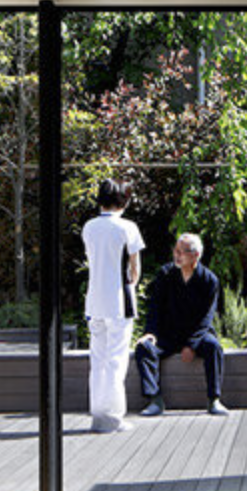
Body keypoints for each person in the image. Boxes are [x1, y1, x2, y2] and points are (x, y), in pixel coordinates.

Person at [135, 233, 229, 416]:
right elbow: (155, 307)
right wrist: (150, 333)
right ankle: (155, 400)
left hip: (198, 334)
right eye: (175, 250)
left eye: (182, 252)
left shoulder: (209, 280)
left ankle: (214, 400)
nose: (176, 255)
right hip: (168, 334)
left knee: (214, 347)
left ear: (196, 255)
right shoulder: (165, 274)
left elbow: (206, 318)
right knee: (144, 348)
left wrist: (191, 345)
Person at [81, 179, 145, 433]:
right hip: (119, 300)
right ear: (124, 200)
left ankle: (98, 415)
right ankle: (114, 418)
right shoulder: (127, 227)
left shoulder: (89, 227)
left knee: (97, 359)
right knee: (116, 360)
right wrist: (132, 283)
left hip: (94, 300)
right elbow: (135, 268)